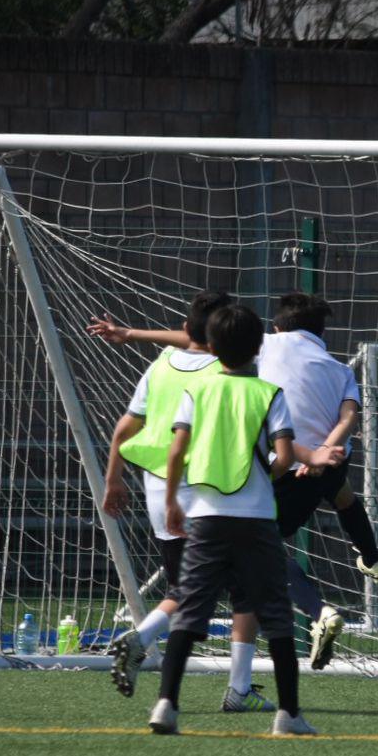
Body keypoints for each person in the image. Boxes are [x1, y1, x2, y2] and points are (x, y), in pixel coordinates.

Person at [88, 292, 378, 670]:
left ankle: (162, 673)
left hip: (171, 490)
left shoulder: (170, 368)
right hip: (251, 480)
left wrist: (130, 334)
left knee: (205, 582)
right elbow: (311, 432)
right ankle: (248, 681)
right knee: (248, 572)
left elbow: (133, 430)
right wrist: (317, 453)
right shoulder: (275, 376)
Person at [101, 289, 278, 714]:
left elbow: (125, 427)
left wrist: (113, 479)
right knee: (244, 589)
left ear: (187, 328)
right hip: (208, 488)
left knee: (188, 585)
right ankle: (235, 688)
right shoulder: (227, 370)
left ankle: (143, 641)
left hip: (158, 490)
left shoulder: (161, 364)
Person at [147, 302, 317, 737]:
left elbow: (176, 451)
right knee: (274, 612)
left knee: (190, 608)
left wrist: (173, 501)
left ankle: (166, 704)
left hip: (205, 518)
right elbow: (284, 457)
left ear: (212, 347)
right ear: (258, 347)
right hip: (257, 519)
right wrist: (264, 476)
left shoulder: (197, 391)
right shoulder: (269, 393)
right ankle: (289, 715)